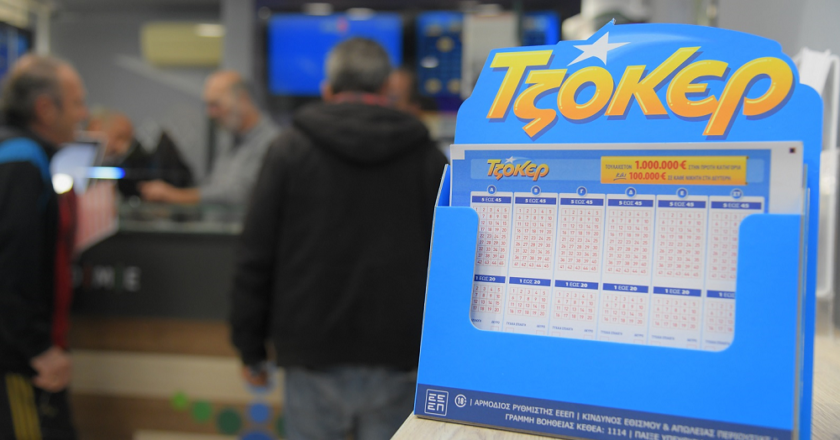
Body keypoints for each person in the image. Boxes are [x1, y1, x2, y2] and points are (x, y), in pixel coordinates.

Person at [229, 38, 448, 440]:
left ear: (327, 89)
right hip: (400, 354)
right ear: (387, 88)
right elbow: (451, 260)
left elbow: (256, 254)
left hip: (312, 352)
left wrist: (250, 347)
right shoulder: (427, 157)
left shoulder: (289, 150)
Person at [0, 54, 88, 439]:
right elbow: (11, 266)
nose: (84, 114)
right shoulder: (22, 162)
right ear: (45, 109)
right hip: (15, 361)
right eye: (77, 103)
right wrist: (38, 348)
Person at [139, 71, 279, 204]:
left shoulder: (272, 142)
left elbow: (239, 195)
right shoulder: (230, 141)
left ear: (242, 99)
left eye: (215, 105)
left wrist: (175, 196)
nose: (210, 113)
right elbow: (213, 187)